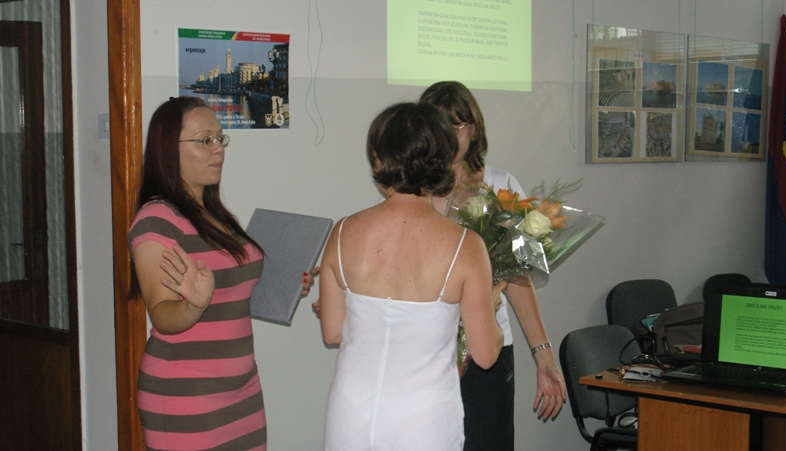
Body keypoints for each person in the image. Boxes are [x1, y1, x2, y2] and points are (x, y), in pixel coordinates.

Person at [127, 96, 312, 450]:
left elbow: (230, 294)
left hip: (242, 389)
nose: (219, 149)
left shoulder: (214, 214)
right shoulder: (157, 219)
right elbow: (162, 314)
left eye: (220, 138)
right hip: (187, 395)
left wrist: (285, 286)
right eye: (205, 140)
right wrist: (193, 305)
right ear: (168, 150)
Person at [319, 101, 504, 450]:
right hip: (424, 419)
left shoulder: (342, 232)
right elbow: (485, 354)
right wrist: (491, 307)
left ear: (378, 160)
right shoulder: (465, 245)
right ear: (443, 159)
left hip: (351, 411)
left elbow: (333, 332)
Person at [420, 81, 567, 450]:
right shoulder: (412, 191)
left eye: (454, 126)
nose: (446, 137)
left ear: (473, 129)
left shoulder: (500, 187)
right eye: (436, 126)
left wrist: (544, 355)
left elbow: (517, 276)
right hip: (427, 346)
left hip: (489, 346)